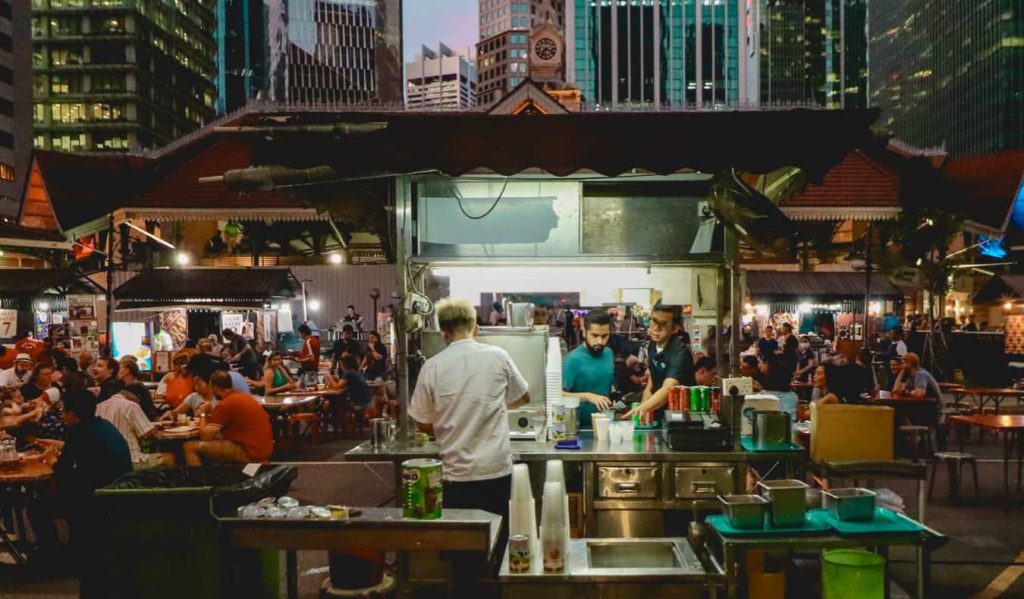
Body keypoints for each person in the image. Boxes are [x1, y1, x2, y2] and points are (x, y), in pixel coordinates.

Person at [408, 298, 529, 558]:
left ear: (444, 334)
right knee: (498, 551)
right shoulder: (498, 356)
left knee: (462, 553)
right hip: (496, 471)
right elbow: (524, 396)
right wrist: (493, 407)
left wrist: (446, 425)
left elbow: (421, 420)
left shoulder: (432, 366)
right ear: (476, 328)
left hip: (456, 477)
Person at [183, 371, 273, 465]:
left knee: (189, 447)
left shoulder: (226, 403)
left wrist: (203, 414)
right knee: (215, 445)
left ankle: (198, 479)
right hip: (264, 448)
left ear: (215, 387)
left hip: (250, 451)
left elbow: (206, 436)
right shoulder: (242, 397)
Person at [624, 304, 696, 421]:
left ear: (675, 328)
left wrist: (641, 409)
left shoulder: (679, 352)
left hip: (680, 416)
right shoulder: (652, 345)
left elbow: (668, 389)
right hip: (659, 412)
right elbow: (652, 380)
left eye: (664, 324)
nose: (656, 328)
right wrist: (643, 413)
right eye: (654, 321)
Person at [562, 310, 615, 428]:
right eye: (595, 335)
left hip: (604, 425)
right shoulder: (573, 360)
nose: (600, 341)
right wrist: (587, 396)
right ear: (584, 332)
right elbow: (559, 395)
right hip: (578, 427)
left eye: (604, 336)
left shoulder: (608, 353)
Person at [96, 389, 174, 469]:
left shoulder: (98, 407)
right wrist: (158, 426)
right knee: (170, 458)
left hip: (104, 461)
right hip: (130, 460)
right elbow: (147, 434)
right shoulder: (132, 406)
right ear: (135, 398)